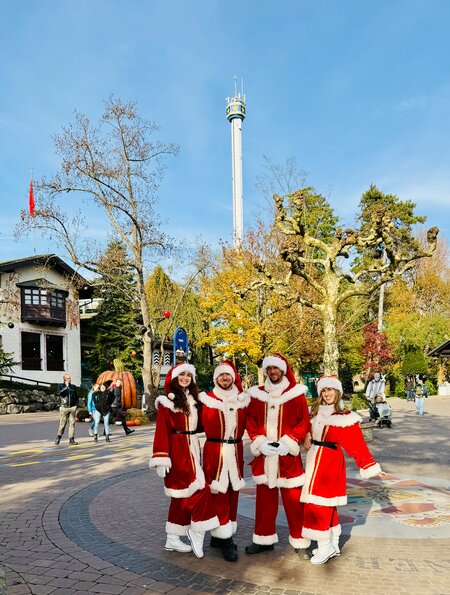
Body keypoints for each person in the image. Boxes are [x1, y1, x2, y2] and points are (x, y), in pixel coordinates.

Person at [302, 375, 386, 565]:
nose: (327, 393)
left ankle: (324, 547)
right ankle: (332, 544)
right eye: (324, 390)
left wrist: (369, 465)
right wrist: (307, 434)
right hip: (314, 459)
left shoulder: (344, 417)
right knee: (327, 504)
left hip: (329, 462)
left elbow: (357, 445)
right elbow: (304, 425)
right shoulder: (314, 412)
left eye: (330, 389)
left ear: (337, 391)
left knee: (319, 504)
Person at [149, 363, 219, 558]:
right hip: (178, 451)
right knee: (201, 489)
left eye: (189, 375)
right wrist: (162, 458)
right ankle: (197, 530)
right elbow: (162, 430)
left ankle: (172, 538)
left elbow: (203, 424)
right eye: (182, 375)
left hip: (192, 447)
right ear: (174, 377)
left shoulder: (194, 401)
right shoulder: (166, 401)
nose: (186, 378)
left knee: (180, 497)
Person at [245, 354, 311, 558]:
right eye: (269, 369)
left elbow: (303, 421)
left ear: (283, 370)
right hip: (265, 456)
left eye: (276, 368)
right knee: (264, 502)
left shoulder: (296, 394)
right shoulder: (256, 394)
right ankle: (264, 540)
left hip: (287, 457)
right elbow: (251, 420)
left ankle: (300, 543)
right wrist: (260, 442)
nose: (272, 372)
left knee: (294, 502)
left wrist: (288, 443)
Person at [199, 360, 249, 562]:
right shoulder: (206, 400)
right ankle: (225, 539)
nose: (225, 378)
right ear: (216, 378)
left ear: (233, 377)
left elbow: (254, 421)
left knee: (232, 493)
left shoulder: (243, 400)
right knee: (216, 492)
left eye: (227, 375)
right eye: (221, 375)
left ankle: (222, 536)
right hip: (214, 450)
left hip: (235, 449)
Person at [54, 374, 79, 445]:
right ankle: (58, 437)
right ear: (64, 379)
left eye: (70, 378)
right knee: (62, 423)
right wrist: (66, 387)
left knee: (72, 424)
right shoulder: (60, 386)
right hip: (64, 407)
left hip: (72, 407)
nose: (70, 379)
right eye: (68, 378)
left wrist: (76, 405)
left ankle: (71, 439)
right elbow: (59, 393)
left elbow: (76, 396)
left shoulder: (73, 386)